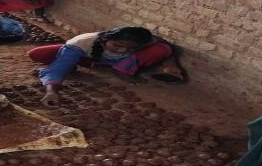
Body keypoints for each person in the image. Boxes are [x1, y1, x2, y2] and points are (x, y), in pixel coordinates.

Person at [27, 27, 185, 107]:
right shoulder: (82, 42)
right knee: (38, 54)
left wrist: (171, 65)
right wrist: (51, 91)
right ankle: (77, 65)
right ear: (104, 40)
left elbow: (166, 47)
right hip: (86, 58)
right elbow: (58, 69)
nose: (123, 50)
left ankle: (122, 70)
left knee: (162, 49)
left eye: (129, 48)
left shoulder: (147, 41)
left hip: (116, 63)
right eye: (117, 45)